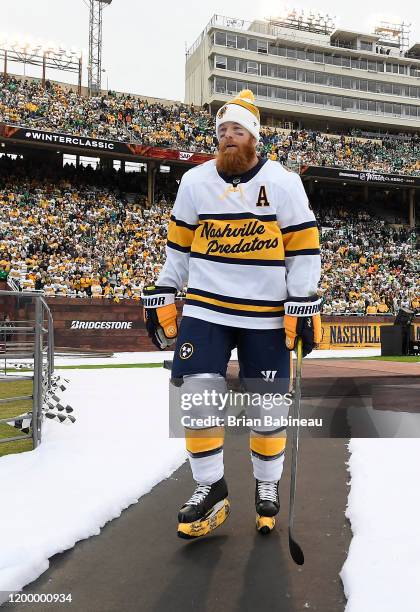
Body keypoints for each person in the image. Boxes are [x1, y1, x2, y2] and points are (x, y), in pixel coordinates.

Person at [142, 90, 321, 539]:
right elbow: (178, 247)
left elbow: (303, 248)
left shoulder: (283, 182)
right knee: (197, 394)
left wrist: (303, 300)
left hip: (265, 312)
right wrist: (166, 288)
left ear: (254, 138)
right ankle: (211, 488)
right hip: (207, 306)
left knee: (268, 406)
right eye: (222, 131)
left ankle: (266, 485)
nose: (227, 137)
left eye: (236, 130)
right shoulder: (195, 182)